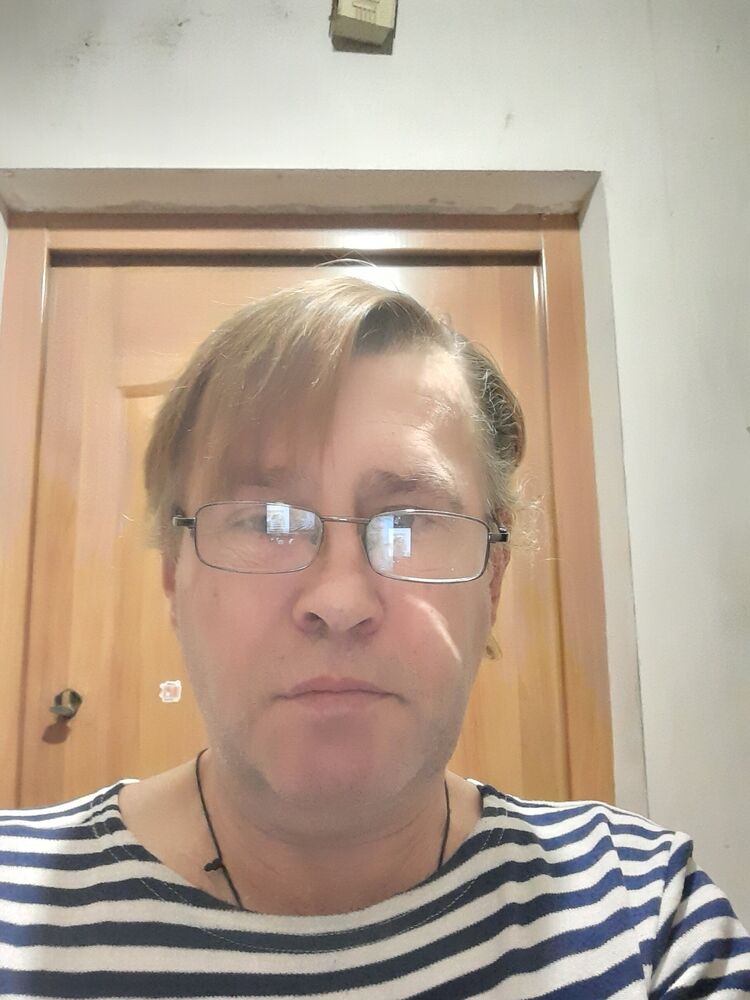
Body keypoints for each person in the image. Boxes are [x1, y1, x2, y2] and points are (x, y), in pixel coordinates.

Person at [1, 276, 748, 998]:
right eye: (266, 520)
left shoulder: (644, 913)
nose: (338, 601)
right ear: (174, 573)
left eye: (410, 521)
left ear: (492, 579)